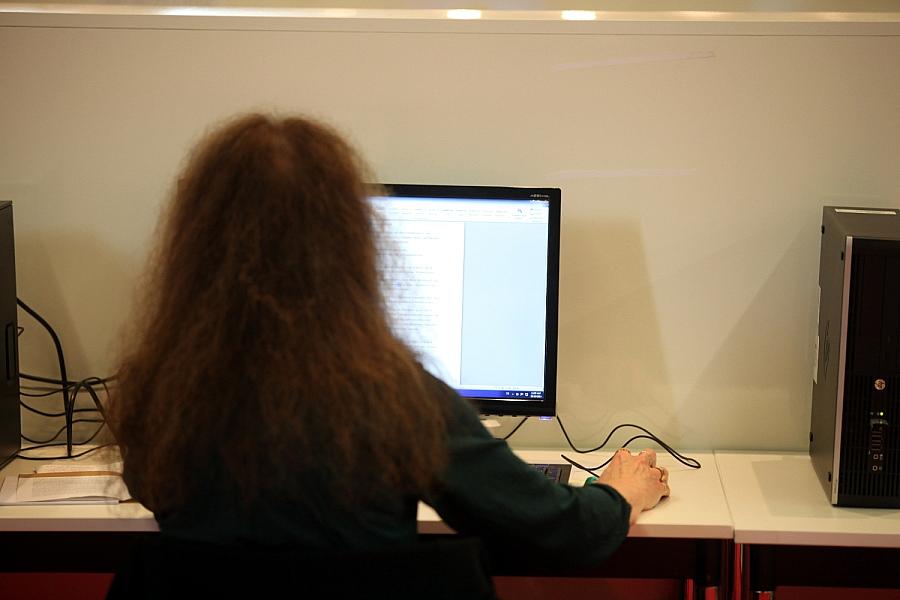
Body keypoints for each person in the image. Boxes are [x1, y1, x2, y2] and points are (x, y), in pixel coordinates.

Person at [107, 113, 669, 571]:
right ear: (352, 247)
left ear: (194, 249)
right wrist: (620, 492)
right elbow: (562, 532)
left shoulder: (159, 396)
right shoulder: (397, 402)